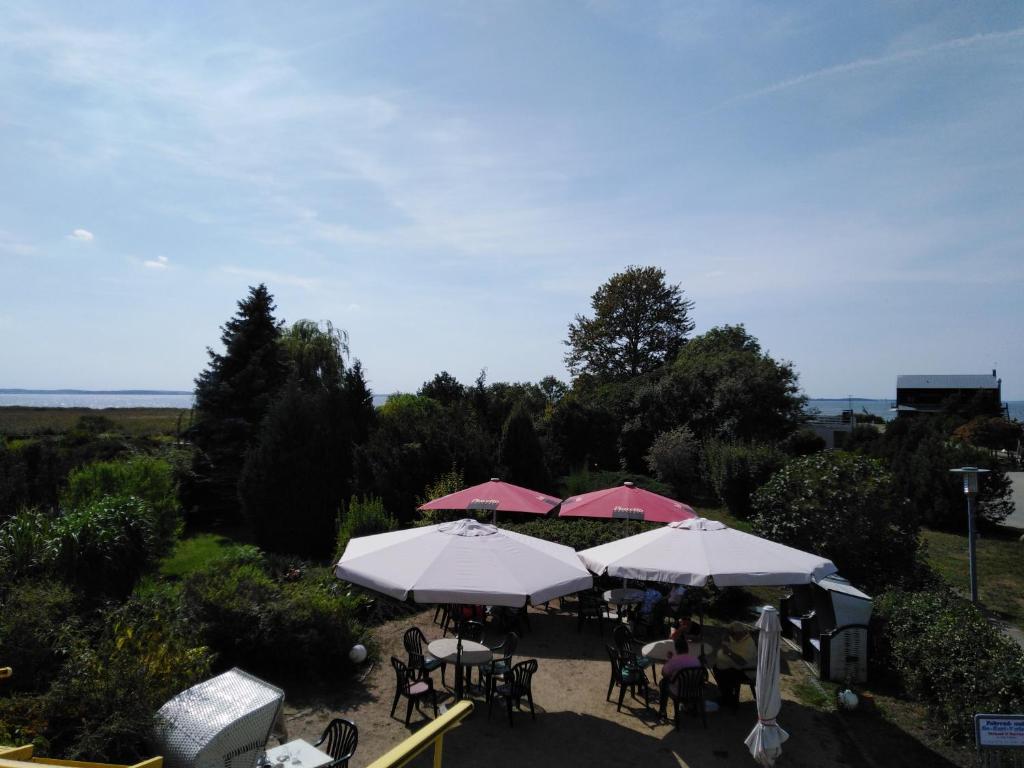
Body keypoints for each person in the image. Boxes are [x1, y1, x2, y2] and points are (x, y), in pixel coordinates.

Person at [712, 621, 757, 709]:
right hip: (736, 667)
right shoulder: (737, 637)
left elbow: (742, 662)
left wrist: (729, 653)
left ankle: (729, 698)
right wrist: (725, 637)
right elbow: (725, 639)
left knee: (723, 673)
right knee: (717, 668)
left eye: (732, 634)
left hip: (747, 672)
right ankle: (727, 695)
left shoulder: (748, 643)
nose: (730, 636)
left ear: (740, 633)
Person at [658, 635, 701, 717]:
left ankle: (662, 710)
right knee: (686, 680)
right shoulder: (695, 660)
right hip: (694, 689)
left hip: (679, 691)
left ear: (676, 649)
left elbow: (664, 673)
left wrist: (669, 660)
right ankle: (689, 705)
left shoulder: (674, 661)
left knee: (663, 682)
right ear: (687, 649)